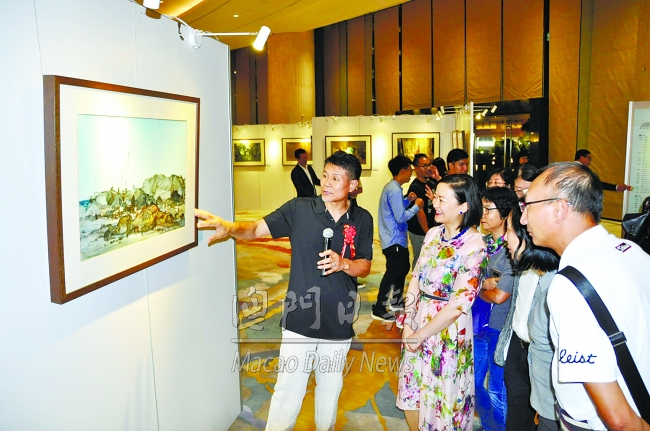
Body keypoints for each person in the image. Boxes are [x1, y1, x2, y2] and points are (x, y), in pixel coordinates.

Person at [195, 151, 373, 431]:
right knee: (288, 390)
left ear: (352, 185)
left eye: (335, 178)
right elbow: (256, 229)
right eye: (325, 175)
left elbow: (364, 265)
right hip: (300, 315)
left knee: (330, 389)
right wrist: (230, 228)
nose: (326, 183)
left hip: (339, 317)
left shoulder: (362, 218)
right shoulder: (299, 209)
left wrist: (343, 263)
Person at [520, 162, 650, 430]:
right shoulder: (629, 250)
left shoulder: (570, 284)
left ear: (559, 209)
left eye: (528, 206)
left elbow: (618, 419)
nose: (523, 219)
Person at [396, 174, 488, 431]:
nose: (434, 203)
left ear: (463, 206)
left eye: (442, 199)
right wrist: (408, 324)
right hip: (417, 322)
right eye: (435, 197)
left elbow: (459, 304)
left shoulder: (475, 245)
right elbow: (415, 279)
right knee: (412, 394)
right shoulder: (433, 234)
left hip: (447, 330)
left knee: (442, 400)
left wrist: (420, 335)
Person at [495, 202, 560, 431]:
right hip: (518, 346)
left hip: (544, 354)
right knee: (517, 415)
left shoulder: (557, 278)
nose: (504, 238)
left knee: (547, 417)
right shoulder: (521, 265)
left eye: (509, 231)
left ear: (528, 235)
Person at [474, 187, 518, 431]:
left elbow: (500, 296)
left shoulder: (512, 250)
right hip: (478, 322)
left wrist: (478, 289)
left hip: (500, 328)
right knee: (472, 382)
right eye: (481, 209)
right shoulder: (482, 244)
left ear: (505, 214)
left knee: (497, 390)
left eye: (488, 210)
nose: (483, 215)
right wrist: (482, 285)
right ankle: (489, 425)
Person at [372, 155, 423, 321]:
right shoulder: (394, 189)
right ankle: (379, 307)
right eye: (410, 170)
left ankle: (396, 301)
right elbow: (401, 217)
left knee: (402, 267)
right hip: (393, 238)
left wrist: (407, 200)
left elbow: (396, 208)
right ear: (402, 170)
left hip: (394, 237)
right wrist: (416, 207)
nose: (411, 173)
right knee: (393, 272)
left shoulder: (393, 188)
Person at [406, 154, 439, 270]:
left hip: (430, 229)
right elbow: (420, 213)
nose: (428, 168)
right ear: (416, 168)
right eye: (424, 166)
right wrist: (427, 232)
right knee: (420, 261)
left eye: (429, 165)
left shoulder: (431, 183)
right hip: (419, 231)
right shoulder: (415, 187)